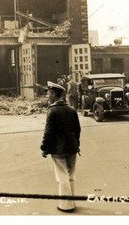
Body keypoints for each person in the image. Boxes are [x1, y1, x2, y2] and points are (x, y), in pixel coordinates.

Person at [41, 81, 81, 213]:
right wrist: (77, 144)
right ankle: (72, 201)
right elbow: (77, 130)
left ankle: (66, 205)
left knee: (62, 176)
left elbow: (48, 132)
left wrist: (44, 148)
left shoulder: (52, 111)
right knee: (71, 175)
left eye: (48, 93)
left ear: (53, 94)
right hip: (72, 148)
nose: (47, 96)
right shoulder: (71, 110)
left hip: (58, 149)